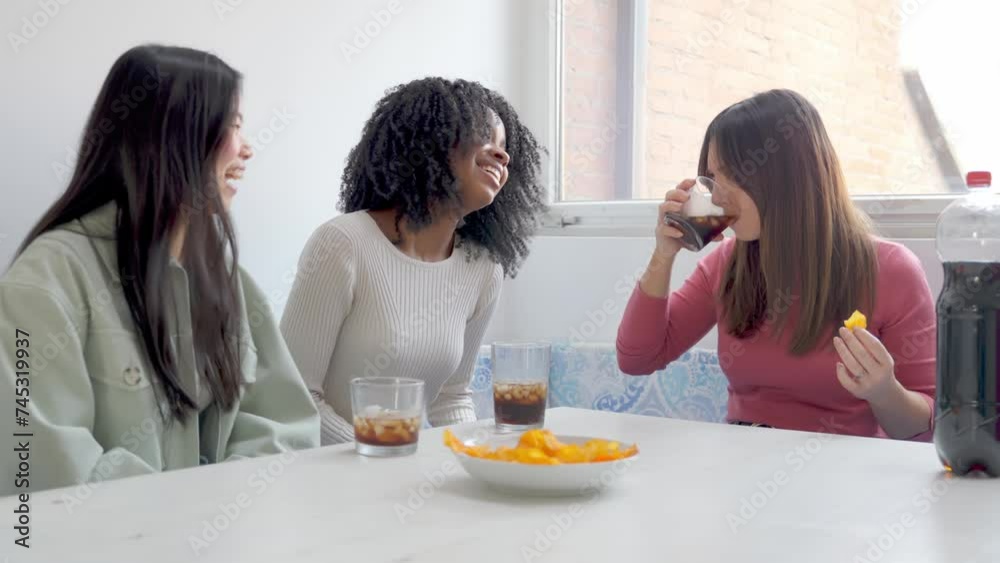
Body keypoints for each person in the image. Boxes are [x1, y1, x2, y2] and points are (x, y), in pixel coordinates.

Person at [0, 45, 319, 495]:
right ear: (176, 136)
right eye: (232, 126)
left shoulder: (225, 278)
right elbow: (45, 466)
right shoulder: (45, 281)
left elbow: (285, 428)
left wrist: (223, 508)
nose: (247, 148)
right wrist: (187, 510)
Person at [616, 89, 935, 440]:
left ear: (788, 176)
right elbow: (637, 360)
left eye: (732, 174)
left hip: (844, 468)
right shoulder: (726, 263)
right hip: (741, 463)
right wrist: (663, 255)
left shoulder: (891, 271)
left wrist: (885, 392)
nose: (716, 196)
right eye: (713, 177)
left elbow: (921, 433)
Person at [280, 77, 547, 445]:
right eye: (484, 137)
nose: (502, 156)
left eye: (504, 147)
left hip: (401, 465)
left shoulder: (484, 269)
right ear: (429, 141)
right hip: (326, 468)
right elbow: (293, 399)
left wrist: (475, 455)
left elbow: (452, 398)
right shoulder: (343, 243)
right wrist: (380, 454)